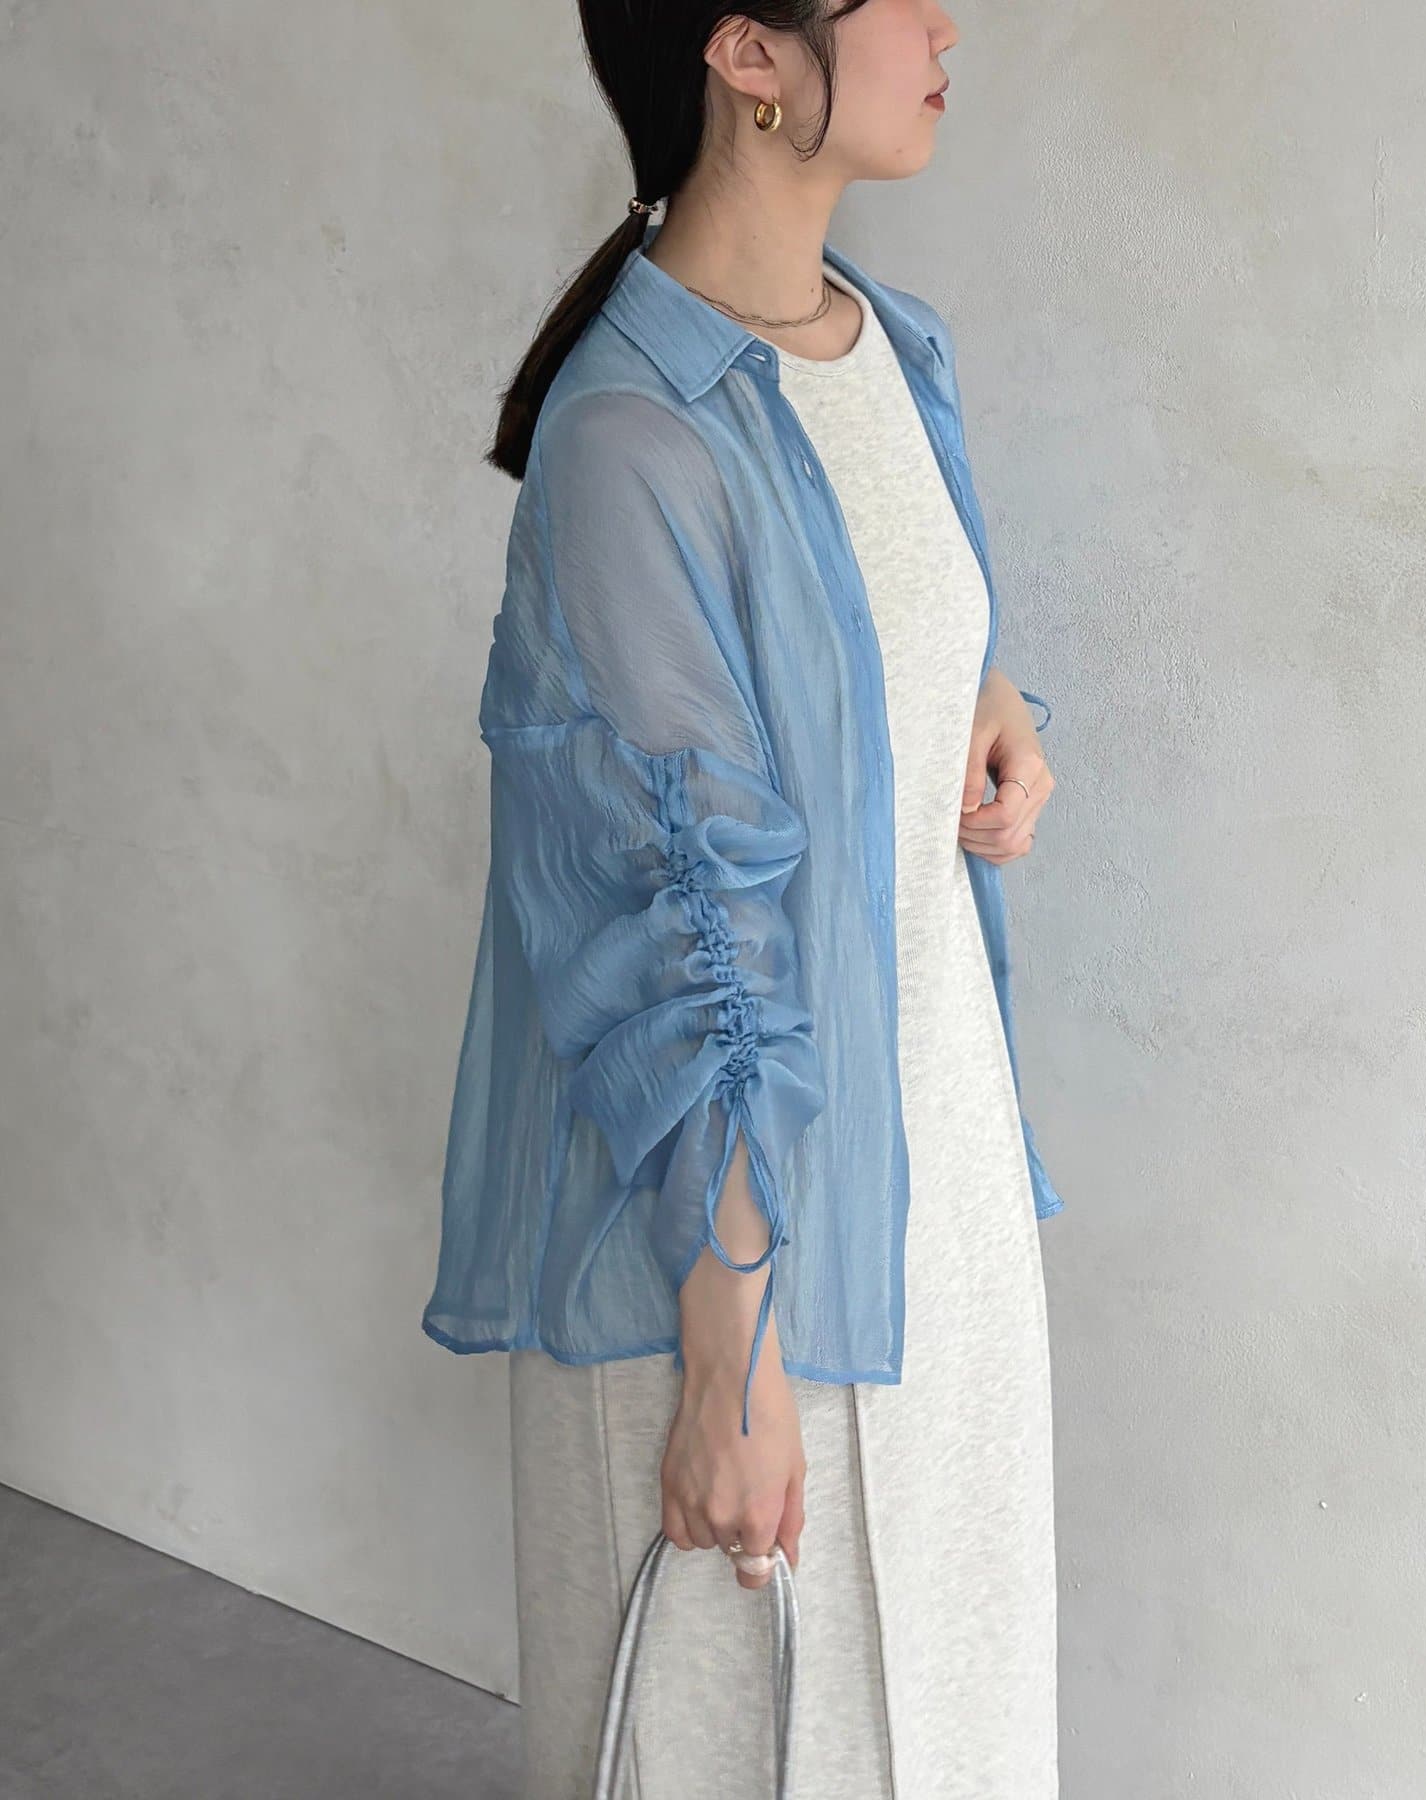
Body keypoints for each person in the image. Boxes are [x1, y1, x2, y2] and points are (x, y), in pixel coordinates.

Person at [422, 2, 1066, 1793]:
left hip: (937, 1198)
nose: (945, 22)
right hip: (742, 1251)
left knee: (959, 1737)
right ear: (749, 55)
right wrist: (732, 1358)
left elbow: (872, 631)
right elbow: (660, 909)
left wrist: (985, 711)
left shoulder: (891, 347)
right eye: (886, 0)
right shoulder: (632, 433)